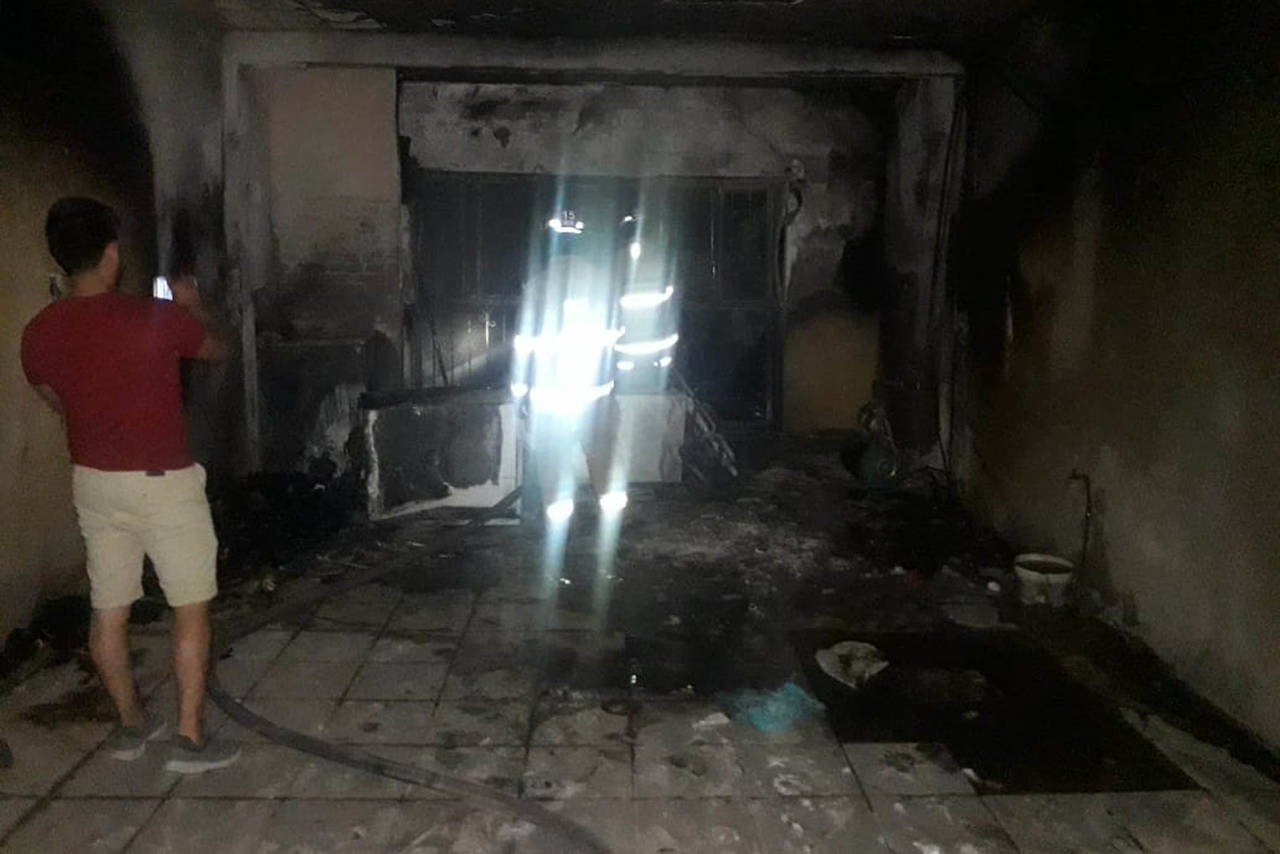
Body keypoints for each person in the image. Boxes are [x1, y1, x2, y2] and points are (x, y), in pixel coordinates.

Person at [20, 197, 239, 773]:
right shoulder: (154, 318)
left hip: (95, 484)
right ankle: (189, 739)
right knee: (190, 607)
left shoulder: (39, 332)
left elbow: (55, 399)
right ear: (112, 254)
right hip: (163, 483)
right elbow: (220, 350)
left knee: (109, 609)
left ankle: (131, 726)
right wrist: (194, 305)